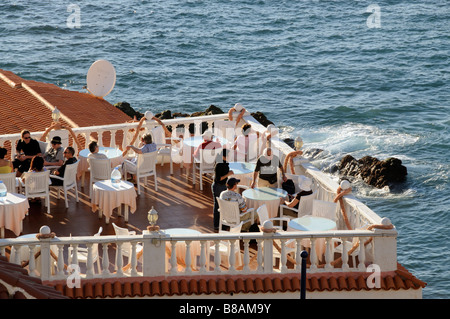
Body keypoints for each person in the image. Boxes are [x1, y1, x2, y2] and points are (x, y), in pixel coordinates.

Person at [211, 149, 234, 231]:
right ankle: (217, 225)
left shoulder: (223, 163)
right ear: (225, 156)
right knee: (218, 206)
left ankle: (222, 223)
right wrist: (228, 174)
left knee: (222, 205)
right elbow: (218, 179)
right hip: (218, 186)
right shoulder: (219, 164)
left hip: (222, 186)